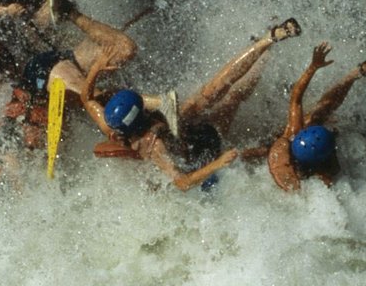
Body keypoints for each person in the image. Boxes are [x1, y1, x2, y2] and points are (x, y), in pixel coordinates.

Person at [0, 0, 139, 178]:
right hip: (35, 96)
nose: (2, 52)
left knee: (122, 49)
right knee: (12, 145)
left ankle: (66, 3)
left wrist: (4, 10)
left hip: (48, 67)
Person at [82, 18, 304, 191]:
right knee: (233, 100)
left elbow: (87, 99)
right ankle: (266, 53)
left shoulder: (110, 124)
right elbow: (183, 183)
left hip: (187, 130)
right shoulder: (155, 146)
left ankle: (267, 41)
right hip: (203, 151)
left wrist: (96, 68)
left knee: (212, 91)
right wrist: (216, 165)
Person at [243, 42, 366, 192]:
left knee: (314, 117)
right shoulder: (286, 154)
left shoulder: (323, 165)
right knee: (259, 151)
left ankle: (354, 75)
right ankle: (354, 74)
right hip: (273, 149)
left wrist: (313, 67)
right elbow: (296, 97)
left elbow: (296, 98)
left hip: (297, 154)